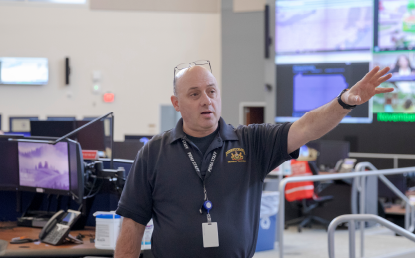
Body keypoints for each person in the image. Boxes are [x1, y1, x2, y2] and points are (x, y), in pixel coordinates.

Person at [114, 62, 394, 258]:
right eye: (194, 94)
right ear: (176, 103)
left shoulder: (251, 142)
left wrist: (344, 102)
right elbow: (133, 223)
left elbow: (307, 126)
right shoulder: (153, 152)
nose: (206, 100)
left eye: (211, 91)